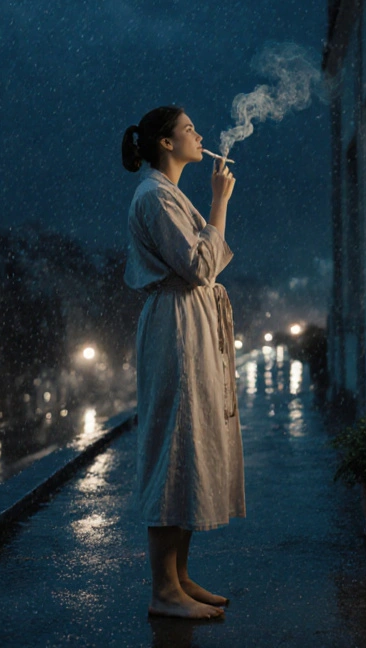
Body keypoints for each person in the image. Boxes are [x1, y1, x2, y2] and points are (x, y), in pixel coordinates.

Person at [121, 106, 243, 620]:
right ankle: (162, 590)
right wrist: (219, 203)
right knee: (174, 444)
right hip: (176, 327)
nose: (200, 135)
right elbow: (199, 265)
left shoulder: (168, 193)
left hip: (190, 322)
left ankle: (181, 577)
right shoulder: (153, 196)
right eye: (189, 129)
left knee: (192, 442)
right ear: (166, 144)